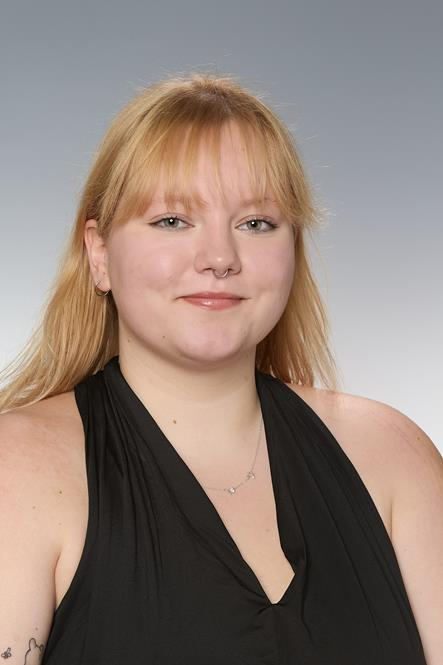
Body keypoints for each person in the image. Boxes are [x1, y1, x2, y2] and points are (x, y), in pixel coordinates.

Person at [0, 72, 441, 665]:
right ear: (99, 253)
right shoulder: (17, 470)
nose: (219, 259)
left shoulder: (394, 456)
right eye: (172, 221)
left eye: (255, 224)